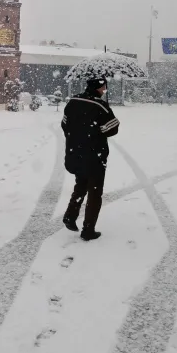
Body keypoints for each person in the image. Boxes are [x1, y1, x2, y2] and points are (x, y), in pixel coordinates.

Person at [60, 76, 120, 241]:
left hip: (75, 154)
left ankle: (70, 216)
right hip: (94, 157)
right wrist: (94, 133)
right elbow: (113, 128)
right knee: (95, 193)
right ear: (97, 88)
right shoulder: (100, 106)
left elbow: (64, 124)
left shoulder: (73, 101)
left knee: (81, 185)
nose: (104, 90)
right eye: (103, 88)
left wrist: (77, 137)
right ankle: (88, 230)